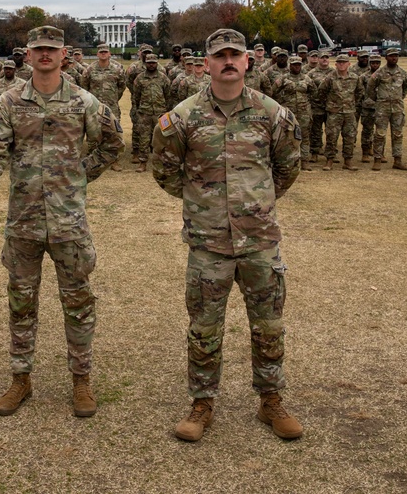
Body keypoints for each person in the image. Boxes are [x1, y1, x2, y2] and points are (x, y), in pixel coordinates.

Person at [0, 25, 123, 418]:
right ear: (27, 55)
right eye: (38, 49)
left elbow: (112, 142)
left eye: (51, 49)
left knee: (78, 300)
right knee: (21, 301)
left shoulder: (84, 102)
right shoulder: (10, 101)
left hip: (68, 222)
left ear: (63, 54)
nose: (44, 55)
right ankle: (21, 378)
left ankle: (81, 379)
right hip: (25, 221)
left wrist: (82, 172)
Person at [151, 28, 302, 443]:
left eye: (235, 54)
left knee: (268, 325)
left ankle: (270, 400)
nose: (228, 61)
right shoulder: (182, 117)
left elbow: (287, 167)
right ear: (207, 64)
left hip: (259, 242)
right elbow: (164, 170)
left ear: (248, 61)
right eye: (220, 56)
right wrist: (204, 204)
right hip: (208, 244)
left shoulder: (272, 114)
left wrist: (255, 204)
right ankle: (202, 403)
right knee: (204, 327)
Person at [80, 43, 128, 170]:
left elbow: (122, 86)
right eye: (101, 52)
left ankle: (114, 161)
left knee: (114, 134)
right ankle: (91, 160)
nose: (103, 54)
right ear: (97, 54)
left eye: (105, 52)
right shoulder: (89, 70)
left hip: (111, 107)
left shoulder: (117, 69)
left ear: (109, 54)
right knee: (92, 134)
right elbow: (84, 87)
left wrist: (113, 98)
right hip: (93, 108)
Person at [316, 54, 364, 171]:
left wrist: (352, 104)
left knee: (350, 137)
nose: (342, 64)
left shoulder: (355, 78)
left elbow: (359, 92)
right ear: (336, 64)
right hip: (334, 112)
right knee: (331, 136)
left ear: (349, 64)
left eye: (344, 62)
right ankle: (329, 161)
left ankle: (348, 161)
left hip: (349, 112)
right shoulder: (330, 78)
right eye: (339, 62)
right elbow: (321, 92)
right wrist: (329, 104)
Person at [367, 47, 407, 170]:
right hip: (382, 108)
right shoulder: (379, 73)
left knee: (398, 134)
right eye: (391, 56)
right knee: (380, 134)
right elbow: (370, 88)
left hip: (397, 108)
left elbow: (406, 85)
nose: (394, 58)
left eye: (396, 55)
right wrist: (378, 99)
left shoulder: (402, 73)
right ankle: (377, 159)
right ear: (386, 58)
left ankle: (397, 160)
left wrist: (400, 97)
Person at [271, 55, 314, 171]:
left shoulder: (307, 79)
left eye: (298, 65)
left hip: (304, 114)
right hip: (289, 114)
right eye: (294, 65)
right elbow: (272, 92)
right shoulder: (283, 79)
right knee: (287, 138)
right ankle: (288, 161)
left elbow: (315, 93)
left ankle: (305, 161)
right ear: (290, 65)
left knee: (304, 137)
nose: (296, 67)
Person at [132, 52, 171, 172]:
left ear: (157, 63)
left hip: (160, 113)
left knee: (162, 138)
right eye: (149, 63)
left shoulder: (163, 78)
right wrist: (139, 110)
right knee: (144, 138)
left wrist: (166, 111)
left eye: (153, 63)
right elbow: (136, 96)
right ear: (145, 64)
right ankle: (142, 163)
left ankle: (162, 163)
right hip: (145, 113)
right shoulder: (139, 78)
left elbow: (168, 95)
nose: (151, 65)